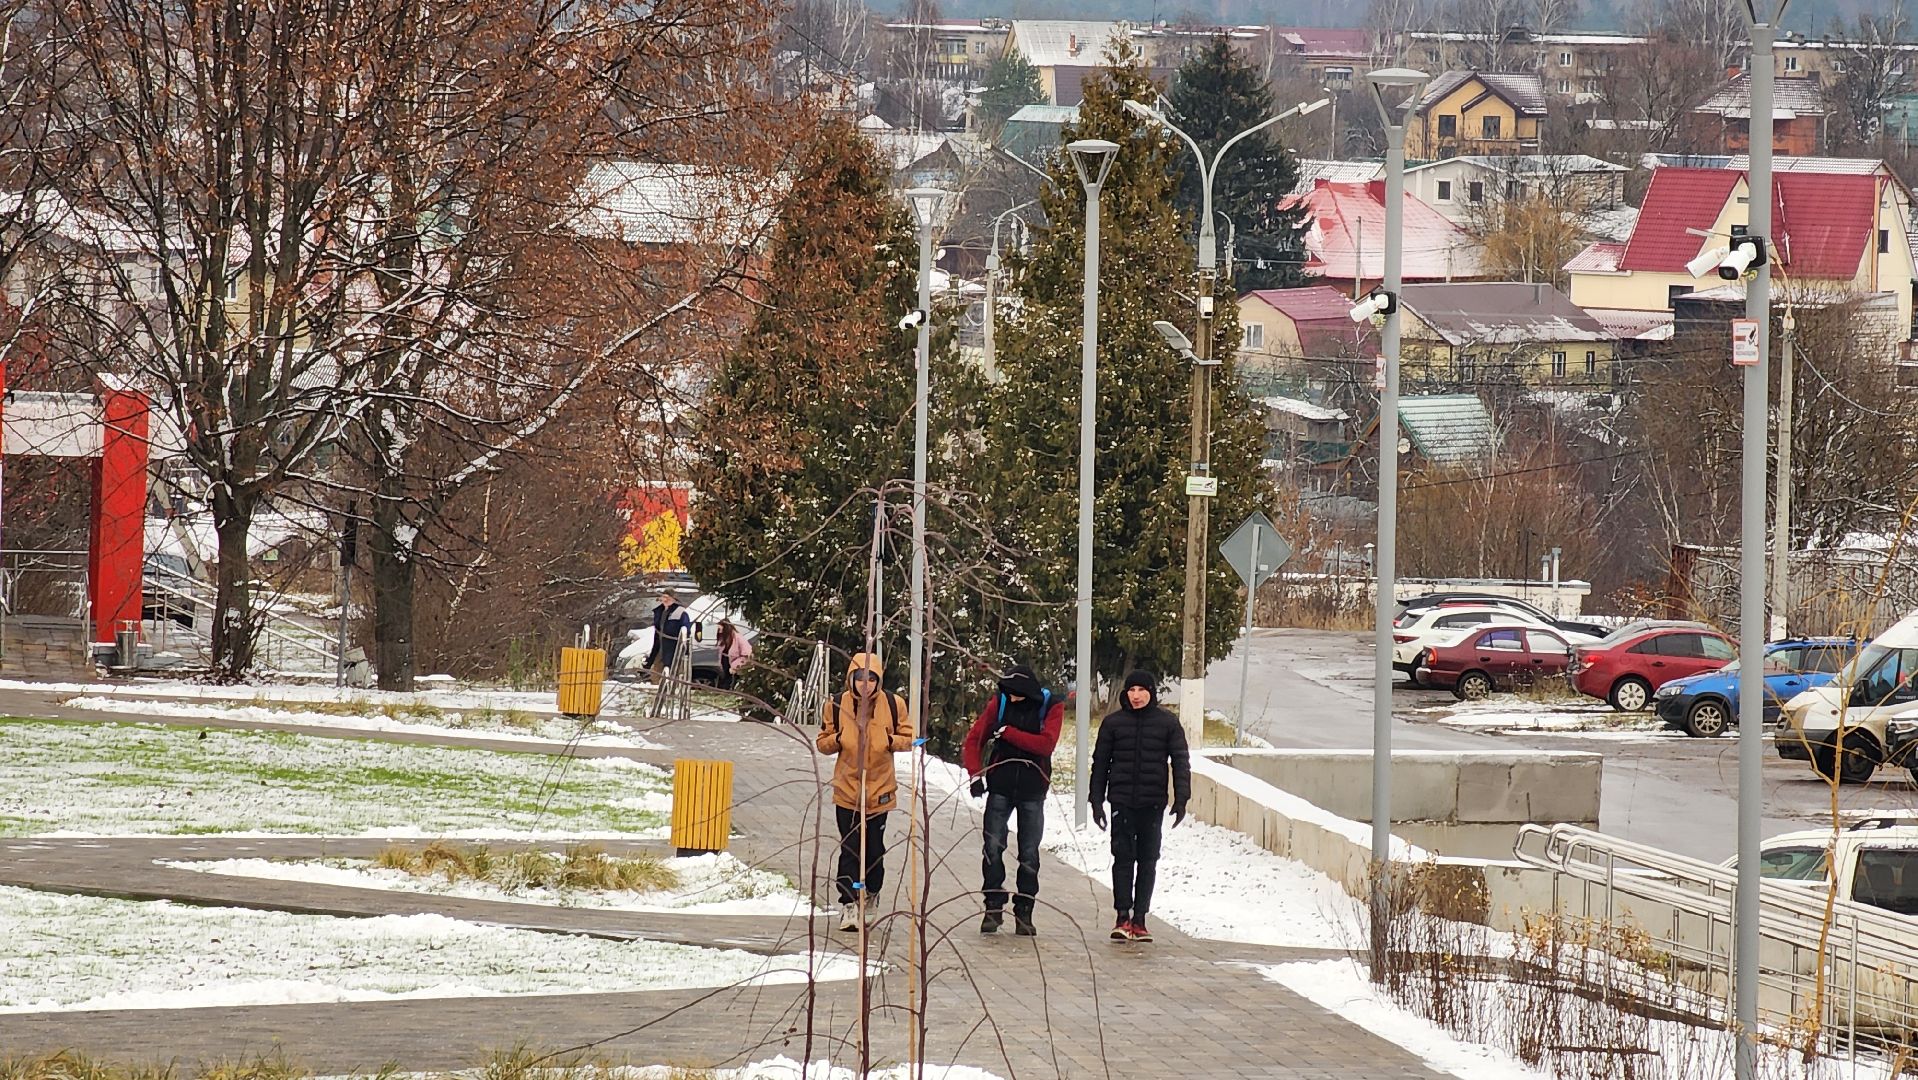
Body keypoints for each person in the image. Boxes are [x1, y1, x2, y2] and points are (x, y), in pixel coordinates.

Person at [961, 664, 1064, 936]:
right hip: (1000, 787)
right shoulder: (1000, 702)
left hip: (1033, 789)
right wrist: (975, 775)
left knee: (1029, 852)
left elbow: (1045, 744)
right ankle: (993, 905)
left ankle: (1024, 910)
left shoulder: (1051, 706)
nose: (1012, 698)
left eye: (1017, 694)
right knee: (992, 847)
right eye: (1008, 693)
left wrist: (1006, 732)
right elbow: (974, 740)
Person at [1088, 670, 1190, 943]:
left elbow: (1180, 761)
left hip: (1152, 803)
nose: (1136, 696)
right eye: (1131, 690)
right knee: (1122, 858)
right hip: (1121, 800)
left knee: (1148, 860)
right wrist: (1096, 800)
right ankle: (1122, 916)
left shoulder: (1167, 723)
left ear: (1151, 693)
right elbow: (1100, 764)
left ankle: (1140, 918)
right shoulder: (1113, 724)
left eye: (1141, 690)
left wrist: (1182, 799)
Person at [816, 652, 914, 932]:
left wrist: (889, 740)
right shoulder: (836, 704)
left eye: (872, 679)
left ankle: (871, 891)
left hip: (880, 790)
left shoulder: (894, 705)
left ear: (878, 680)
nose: (866, 684)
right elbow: (822, 742)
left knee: (873, 850)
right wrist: (838, 739)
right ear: (852, 679)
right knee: (850, 848)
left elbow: (908, 739)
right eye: (860, 678)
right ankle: (849, 902)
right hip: (847, 790)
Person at [644, 590, 693, 679]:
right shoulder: (659, 611)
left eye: (668, 598)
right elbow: (657, 633)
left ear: (674, 599)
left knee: (673, 676)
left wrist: (684, 650)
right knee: (657, 676)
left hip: (674, 651)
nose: (665, 600)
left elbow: (686, 631)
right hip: (660, 649)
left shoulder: (680, 612)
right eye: (664, 597)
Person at [715, 618, 752, 690]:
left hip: (735, 666)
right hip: (726, 665)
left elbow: (746, 653)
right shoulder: (723, 638)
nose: (719, 632)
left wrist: (735, 666)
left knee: (732, 682)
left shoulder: (738, 638)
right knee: (725, 683)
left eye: (720, 629)